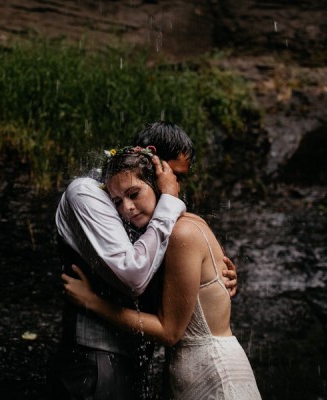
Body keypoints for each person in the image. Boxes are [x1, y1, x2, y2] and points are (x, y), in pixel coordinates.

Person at [51, 121, 238, 400]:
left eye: (180, 178)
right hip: (94, 358)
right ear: (152, 166)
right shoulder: (87, 194)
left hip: (137, 354)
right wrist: (170, 202)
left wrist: (212, 280)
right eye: (173, 174)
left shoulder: (152, 212)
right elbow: (135, 276)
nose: (176, 185)